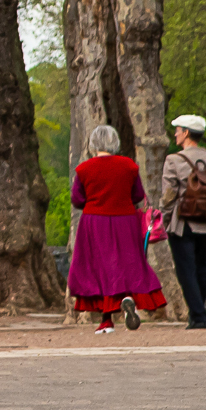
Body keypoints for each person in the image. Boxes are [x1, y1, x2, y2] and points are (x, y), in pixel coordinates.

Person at [69, 124, 166, 333]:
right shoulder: (129, 166)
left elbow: (77, 199)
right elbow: (138, 196)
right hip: (125, 220)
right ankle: (127, 299)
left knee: (100, 268)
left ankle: (106, 321)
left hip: (95, 222)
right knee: (126, 263)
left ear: (93, 143)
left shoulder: (84, 169)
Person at [161, 114, 206, 329]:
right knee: (202, 266)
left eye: (178, 130)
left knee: (185, 269)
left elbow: (168, 195)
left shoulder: (174, 160)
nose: (175, 134)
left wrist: (164, 219)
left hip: (182, 223)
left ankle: (198, 316)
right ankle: (199, 311)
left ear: (186, 134)